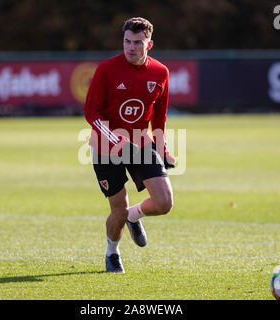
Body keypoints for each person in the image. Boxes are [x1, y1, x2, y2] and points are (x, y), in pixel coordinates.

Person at [83, 17, 176, 273]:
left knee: (164, 202)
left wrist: (163, 147)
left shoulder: (160, 72)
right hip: (105, 148)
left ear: (150, 44)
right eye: (127, 41)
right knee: (118, 210)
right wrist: (114, 138)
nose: (131, 47)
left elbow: (159, 116)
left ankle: (135, 216)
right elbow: (90, 111)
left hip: (140, 145)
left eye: (137, 42)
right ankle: (112, 253)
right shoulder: (106, 69)